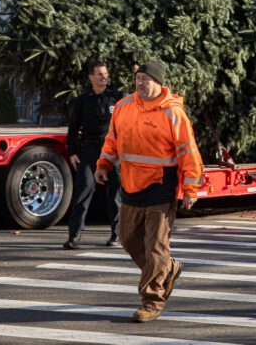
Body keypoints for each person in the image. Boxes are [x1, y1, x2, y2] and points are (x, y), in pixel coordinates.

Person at [95, 59, 203, 323]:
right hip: (131, 184)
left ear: (158, 82)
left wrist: (190, 188)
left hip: (160, 188)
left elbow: (189, 153)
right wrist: (103, 164)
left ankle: (151, 301)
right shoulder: (123, 107)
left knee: (155, 247)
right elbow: (113, 139)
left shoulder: (173, 113)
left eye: (145, 79)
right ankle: (168, 269)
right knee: (128, 239)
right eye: (138, 79)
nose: (140, 83)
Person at [63, 61, 128, 249]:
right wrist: (73, 152)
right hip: (90, 151)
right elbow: (73, 129)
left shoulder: (117, 98)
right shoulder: (83, 100)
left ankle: (117, 235)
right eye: (99, 74)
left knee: (115, 193)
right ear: (91, 77)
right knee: (84, 190)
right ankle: (74, 236)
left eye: (106, 74)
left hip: (113, 152)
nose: (104, 77)